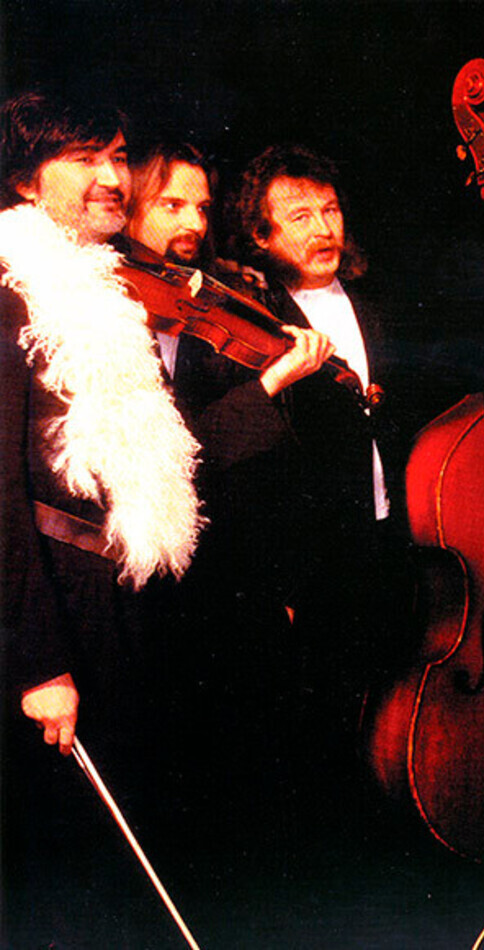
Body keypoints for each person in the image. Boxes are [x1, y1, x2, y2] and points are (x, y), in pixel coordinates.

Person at [0, 91, 206, 945]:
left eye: (117, 157)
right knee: (70, 884)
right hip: (55, 615)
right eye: (84, 158)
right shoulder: (10, 290)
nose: (112, 177)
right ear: (25, 180)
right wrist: (38, 663)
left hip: (121, 606)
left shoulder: (109, 289)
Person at [121, 141, 338, 875]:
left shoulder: (214, 299)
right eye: (171, 204)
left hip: (234, 582)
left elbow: (265, 472)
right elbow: (174, 453)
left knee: (253, 790)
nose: (192, 222)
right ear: (129, 203)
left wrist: (280, 587)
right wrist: (268, 386)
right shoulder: (100, 311)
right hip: (150, 591)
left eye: (202, 206)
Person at [225, 143, 410, 824]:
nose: (323, 228)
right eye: (299, 216)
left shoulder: (374, 303)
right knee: (322, 743)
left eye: (329, 210)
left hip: (393, 544)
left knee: (395, 721)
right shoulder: (251, 318)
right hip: (312, 571)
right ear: (261, 233)